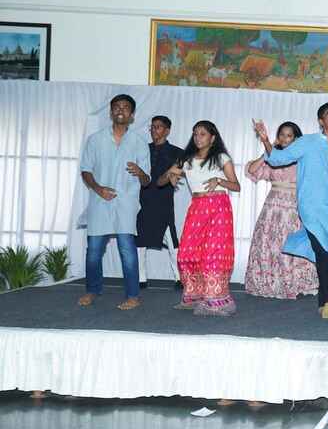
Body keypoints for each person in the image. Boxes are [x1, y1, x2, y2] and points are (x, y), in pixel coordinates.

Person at [253, 103, 328, 319]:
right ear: (321, 121)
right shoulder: (307, 142)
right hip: (310, 207)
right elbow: (277, 159)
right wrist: (265, 139)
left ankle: (324, 301)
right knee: (323, 252)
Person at [77, 93, 151, 310]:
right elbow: (85, 170)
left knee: (127, 250)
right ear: (111, 112)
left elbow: (147, 180)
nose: (120, 110)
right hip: (99, 202)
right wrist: (98, 189)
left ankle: (133, 296)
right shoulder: (95, 139)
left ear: (132, 115)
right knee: (93, 251)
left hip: (126, 204)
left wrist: (140, 172)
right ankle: (92, 290)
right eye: (117, 106)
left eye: (126, 107)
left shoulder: (139, 142)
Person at [162, 121, 240, 316]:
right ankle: (194, 296)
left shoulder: (221, 158)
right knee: (187, 253)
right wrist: (170, 174)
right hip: (197, 207)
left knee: (213, 255)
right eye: (195, 134)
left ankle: (216, 301)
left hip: (218, 208)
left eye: (202, 134)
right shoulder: (186, 159)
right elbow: (160, 181)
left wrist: (219, 180)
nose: (198, 138)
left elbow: (236, 186)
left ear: (212, 138)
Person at [244, 121, 319, 299]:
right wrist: (268, 151)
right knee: (269, 242)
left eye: (289, 135)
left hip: (293, 206)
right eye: (282, 135)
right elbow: (252, 170)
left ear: (296, 139)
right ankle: (269, 282)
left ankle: (295, 282)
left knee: (291, 243)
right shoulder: (272, 155)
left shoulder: (302, 158)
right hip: (272, 207)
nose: (285, 138)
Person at [136, 115, 183, 289]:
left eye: (158, 126)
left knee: (171, 239)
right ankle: (140, 278)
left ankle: (179, 278)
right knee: (139, 239)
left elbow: (180, 173)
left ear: (167, 130)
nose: (154, 130)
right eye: (152, 126)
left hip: (164, 200)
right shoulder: (142, 149)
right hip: (143, 199)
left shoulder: (177, 153)